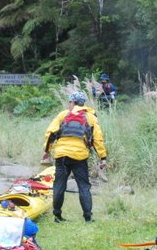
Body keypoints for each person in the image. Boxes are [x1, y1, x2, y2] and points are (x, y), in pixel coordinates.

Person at [41, 91, 108, 223]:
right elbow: (98, 139)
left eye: (70, 102)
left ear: (73, 102)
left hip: (61, 156)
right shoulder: (90, 117)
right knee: (83, 186)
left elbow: (50, 133)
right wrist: (103, 157)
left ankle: (57, 216)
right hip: (80, 156)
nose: (69, 104)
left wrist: (47, 151)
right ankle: (88, 218)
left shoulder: (63, 114)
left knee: (59, 185)